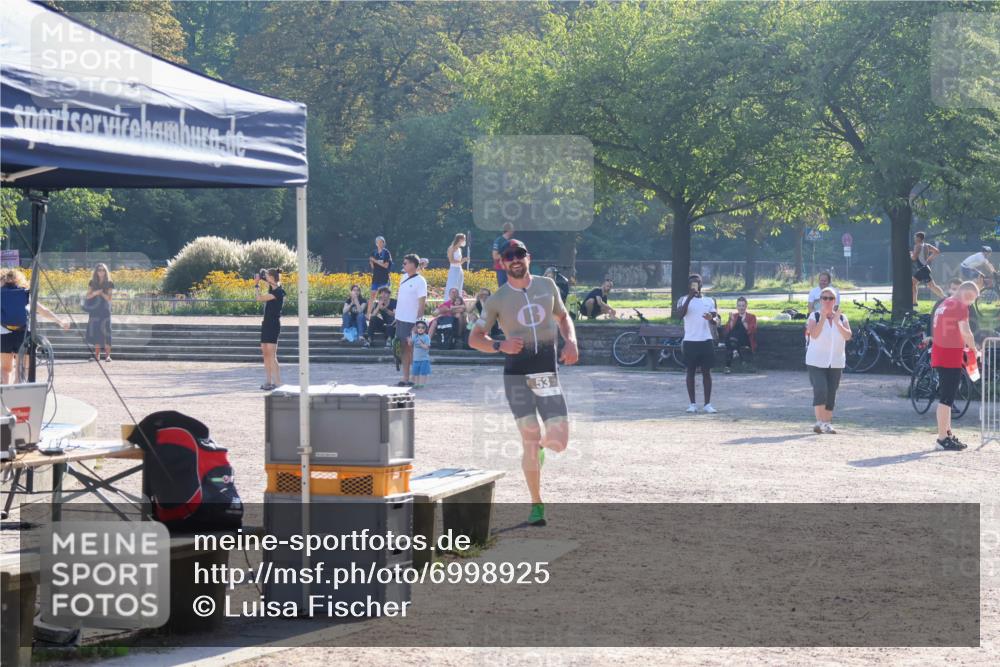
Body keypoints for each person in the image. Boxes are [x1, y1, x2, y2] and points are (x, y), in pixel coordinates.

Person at [469, 238, 579, 527]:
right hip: (516, 377)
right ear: (502, 263)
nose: (515, 259)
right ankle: (536, 503)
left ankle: (539, 447)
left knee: (558, 441)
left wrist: (571, 341)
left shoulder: (547, 286)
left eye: (519, 253)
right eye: (509, 255)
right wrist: (499, 346)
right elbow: (475, 338)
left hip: (546, 374)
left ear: (528, 257)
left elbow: (564, 317)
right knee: (529, 440)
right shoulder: (496, 299)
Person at [930, 281, 979, 451]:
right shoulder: (959, 306)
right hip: (950, 356)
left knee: (947, 398)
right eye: (972, 299)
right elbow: (965, 331)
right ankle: (942, 438)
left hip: (941, 352)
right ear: (966, 294)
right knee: (947, 398)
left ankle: (947, 433)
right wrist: (974, 349)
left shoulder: (945, 303)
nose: (971, 304)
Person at [1, 269, 70, 384]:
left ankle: (3, 398)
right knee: (21, 370)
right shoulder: (25, 293)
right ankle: (17, 399)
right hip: (23, 334)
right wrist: (60, 321)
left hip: (3, 333)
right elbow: (43, 310)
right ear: (19, 280)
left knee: (5, 369)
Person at [805, 287, 852, 434]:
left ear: (835, 301)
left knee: (831, 392)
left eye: (830, 298)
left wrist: (837, 323)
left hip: (836, 361)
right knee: (820, 389)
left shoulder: (842, 317)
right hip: (816, 360)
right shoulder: (815, 316)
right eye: (824, 298)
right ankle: (819, 422)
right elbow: (814, 335)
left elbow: (848, 336)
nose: (827, 301)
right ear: (820, 300)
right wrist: (824, 318)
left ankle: (827, 423)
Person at [677, 274, 719, 414]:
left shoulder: (709, 300)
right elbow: (680, 315)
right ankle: (692, 404)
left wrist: (711, 318)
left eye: (696, 283)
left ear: (701, 285)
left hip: (706, 340)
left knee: (707, 372)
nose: (694, 286)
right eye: (691, 284)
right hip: (690, 340)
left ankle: (707, 404)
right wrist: (690, 297)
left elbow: (716, 319)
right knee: (690, 372)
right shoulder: (683, 299)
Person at [394, 254, 427, 387]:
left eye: (406, 263)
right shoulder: (403, 277)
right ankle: (405, 378)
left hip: (412, 321)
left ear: (414, 265)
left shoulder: (420, 281)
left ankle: (416, 378)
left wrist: (417, 324)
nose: (403, 265)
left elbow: (422, 304)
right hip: (401, 319)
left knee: (413, 350)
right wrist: (396, 318)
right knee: (402, 350)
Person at [254, 268, 285, 390]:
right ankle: (268, 381)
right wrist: (262, 279)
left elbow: (259, 298)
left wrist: (256, 284)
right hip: (266, 323)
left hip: (273, 325)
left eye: (267, 276)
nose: (265, 277)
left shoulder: (279, 292)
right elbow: (270, 285)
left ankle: (277, 383)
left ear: (272, 277)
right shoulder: (272, 289)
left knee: (272, 354)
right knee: (265, 353)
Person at [83, 263, 114, 362]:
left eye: (103, 270)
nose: (101, 272)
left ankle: (107, 356)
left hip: (105, 310)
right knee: (95, 331)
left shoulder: (109, 283)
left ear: (106, 271)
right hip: (94, 310)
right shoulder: (92, 282)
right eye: (99, 270)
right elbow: (87, 296)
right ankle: (97, 356)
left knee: (106, 331)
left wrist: (101, 293)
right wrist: (96, 293)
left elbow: (109, 298)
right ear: (96, 271)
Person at [722, 296, 757, 373]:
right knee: (731, 338)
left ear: (746, 306)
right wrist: (731, 321)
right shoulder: (734, 316)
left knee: (732, 337)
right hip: (734, 340)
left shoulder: (751, 317)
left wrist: (744, 322)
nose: (741, 308)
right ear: (737, 306)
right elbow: (727, 331)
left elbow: (751, 331)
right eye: (739, 306)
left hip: (745, 339)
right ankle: (732, 360)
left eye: (743, 306)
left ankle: (728, 365)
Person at [910, 231, 944, 307]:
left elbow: (914, 258)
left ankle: (944, 298)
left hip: (923, 269)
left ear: (918, 238)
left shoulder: (917, 245)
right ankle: (914, 302)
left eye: (915, 237)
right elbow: (937, 251)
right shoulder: (927, 245)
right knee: (913, 283)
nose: (914, 239)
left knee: (932, 286)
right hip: (923, 268)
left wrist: (910, 254)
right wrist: (929, 259)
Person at [367, 236, 392, 318]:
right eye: (378, 242)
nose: (380, 243)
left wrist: (375, 261)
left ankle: (384, 314)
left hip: (384, 278)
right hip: (376, 278)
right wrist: (372, 262)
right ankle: (368, 315)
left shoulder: (386, 253)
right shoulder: (373, 253)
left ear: (384, 243)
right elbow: (373, 267)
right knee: (372, 296)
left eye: (382, 242)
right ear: (376, 243)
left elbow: (385, 265)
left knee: (384, 297)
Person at [491, 222, 515, 287]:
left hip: (510, 269)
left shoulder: (511, 241)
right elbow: (495, 256)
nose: (513, 230)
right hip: (501, 269)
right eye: (512, 229)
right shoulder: (499, 241)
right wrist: (506, 254)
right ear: (508, 230)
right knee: (502, 289)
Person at [410, 320, 432, 388]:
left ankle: (422, 384)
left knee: (423, 373)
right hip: (416, 359)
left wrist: (422, 344)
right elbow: (411, 343)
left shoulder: (426, 337)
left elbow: (427, 347)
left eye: (422, 327)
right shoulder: (415, 336)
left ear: (425, 329)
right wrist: (409, 340)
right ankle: (416, 383)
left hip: (424, 359)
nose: (420, 329)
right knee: (415, 372)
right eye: (418, 327)